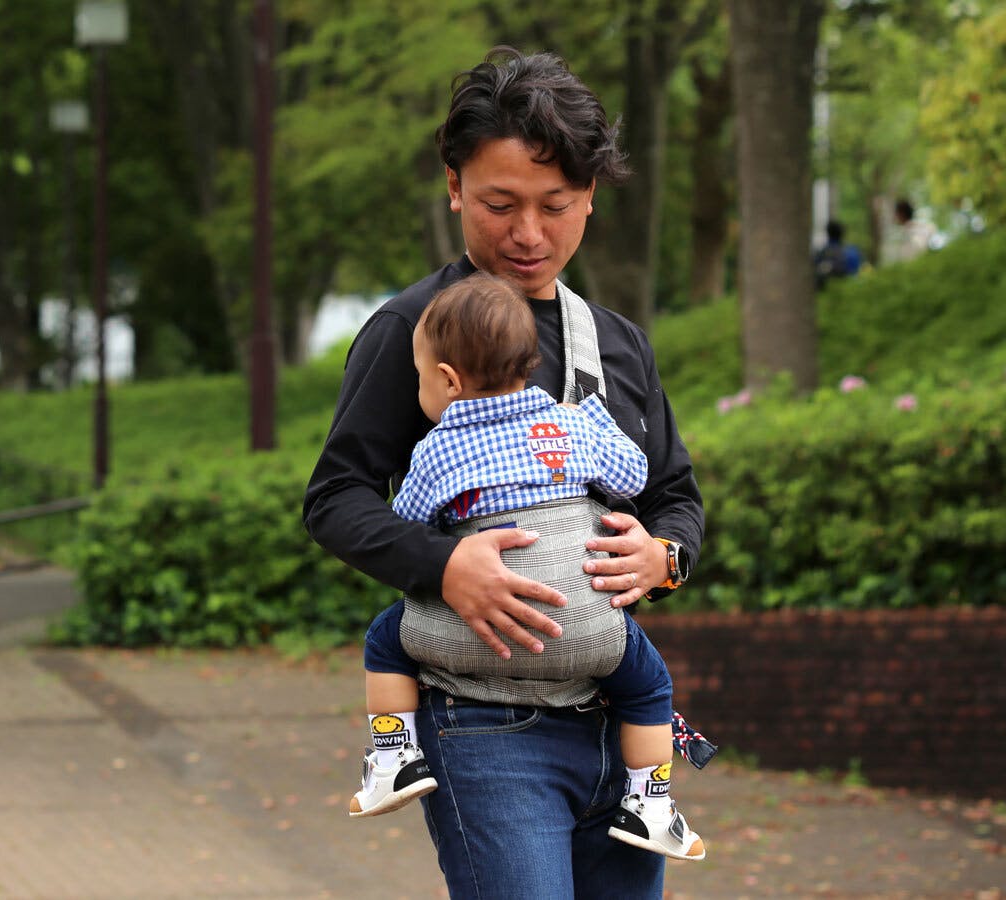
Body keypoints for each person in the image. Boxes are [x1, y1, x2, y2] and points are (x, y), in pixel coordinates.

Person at [303, 46, 705, 898]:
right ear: (454, 187)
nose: (528, 234)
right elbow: (336, 498)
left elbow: (675, 497)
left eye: (554, 206)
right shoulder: (414, 332)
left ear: (589, 196)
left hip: (622, 720)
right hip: (486, 727)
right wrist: (444, 564)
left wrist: (662, 559)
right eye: (499, 204)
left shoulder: (619, 344)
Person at [348, 274, 706, 861]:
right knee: (650, 686)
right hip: (592, 624)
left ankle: (393, 758)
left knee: (385, 641)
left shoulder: (437, 448)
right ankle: (651, 805)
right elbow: (634, 476)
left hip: (473, 636)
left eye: (420, 378)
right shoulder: (570, 424)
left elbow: (407, 522)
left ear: (448, 380)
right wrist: (594, 425)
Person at [813, 220, 863, 289]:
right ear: (843, 233)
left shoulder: (822, 253)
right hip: (851, 289)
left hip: (828, 290)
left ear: (828, 233)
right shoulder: (853, 252)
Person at [886, 198, 934, 264]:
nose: (894, 216)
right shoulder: (924, 226)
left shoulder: (906, 232)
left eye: (896, 214)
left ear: (901, 214)